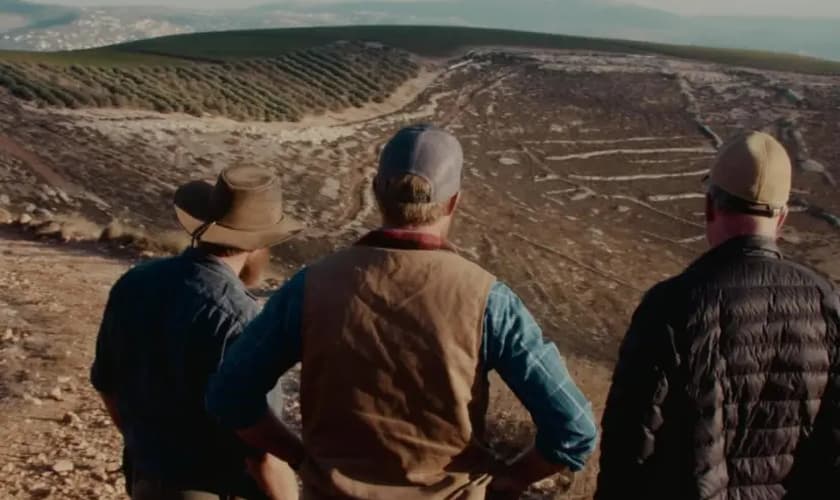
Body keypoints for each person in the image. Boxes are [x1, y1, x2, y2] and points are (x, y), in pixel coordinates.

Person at [206, 124, 598, 499]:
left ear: (376, 191)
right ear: (455, 201)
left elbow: (229, 395)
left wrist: (302, 458)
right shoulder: (487, 299)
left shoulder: (311, 286)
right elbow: (574, 428)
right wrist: (510, 479)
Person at [595, 131, 840, 500]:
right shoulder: (827, 303)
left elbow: (629, 450)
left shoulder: (672, 305)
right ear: (783, 218)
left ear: (710, 206)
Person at [90, 165, 304, 499]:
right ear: (259, 245)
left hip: (145, 482)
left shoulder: (134, 282)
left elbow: (107, 385)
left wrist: (149, 453)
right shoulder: (240, 316)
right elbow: (260, 450)